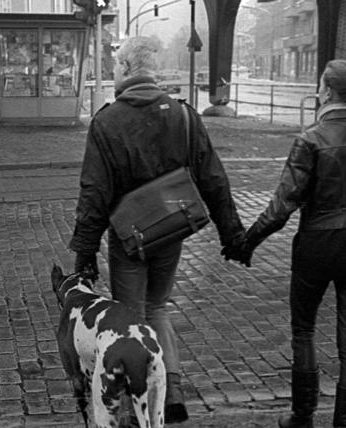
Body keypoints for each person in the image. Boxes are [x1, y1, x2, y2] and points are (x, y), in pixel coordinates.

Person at [69, 35, 247, 424]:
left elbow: (94, 194)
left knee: (131, 318)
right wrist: (232, 234)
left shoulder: (107, 121)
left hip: (129, 241)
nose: (113, 72)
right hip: (171, 229)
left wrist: (85, 254)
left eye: (116, 66)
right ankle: (174, 390)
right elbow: (214, 179)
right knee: (159, 308)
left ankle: (138, 404)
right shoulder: (183, 115)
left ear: (129, 70)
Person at [227, 59, 346, 428]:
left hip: (316, 250)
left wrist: (247, 243)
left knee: (303, 331)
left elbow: (282, 204)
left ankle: (302, 417)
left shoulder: (311, 139)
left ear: (328, 90)